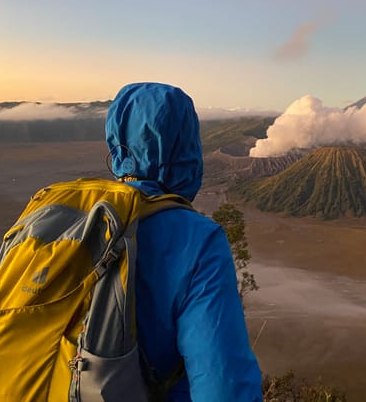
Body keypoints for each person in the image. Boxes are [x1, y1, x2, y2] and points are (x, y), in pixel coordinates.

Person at [105, 82, 263, 401]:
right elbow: (225, 385)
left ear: (116, 140)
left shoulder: (70, 218)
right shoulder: (197, 240)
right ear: (186, 147)